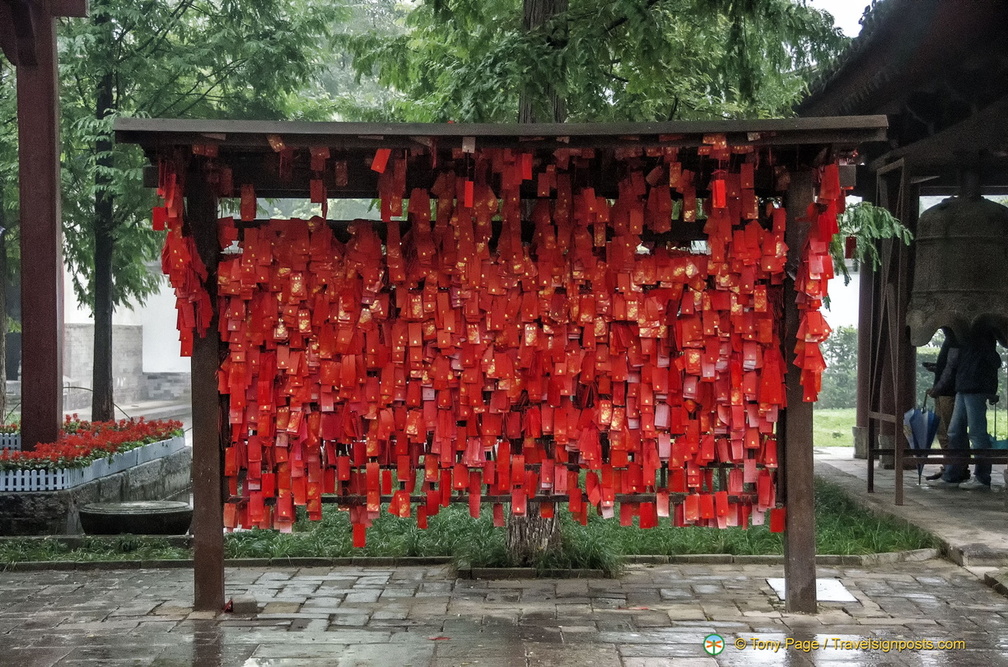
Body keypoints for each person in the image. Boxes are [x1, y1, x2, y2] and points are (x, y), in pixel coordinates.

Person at [931, 322, 1002, 490]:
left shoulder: (982, 338)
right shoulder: (964, 338)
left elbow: (992, 364)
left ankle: (982, 478)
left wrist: (990, 390)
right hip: (962, 387)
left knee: (977, 434)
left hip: (975, 389)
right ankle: (952, 475)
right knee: (954, 432)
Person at [924, 328, 959, 481]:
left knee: (946, 433)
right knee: (944, 433)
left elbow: (951, 368)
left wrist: (937, 389)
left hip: (947, 393)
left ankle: (953, 469)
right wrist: (937, 369)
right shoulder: (951, 340)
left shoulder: (954, 340)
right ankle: (950, 467)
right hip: (944, 392)